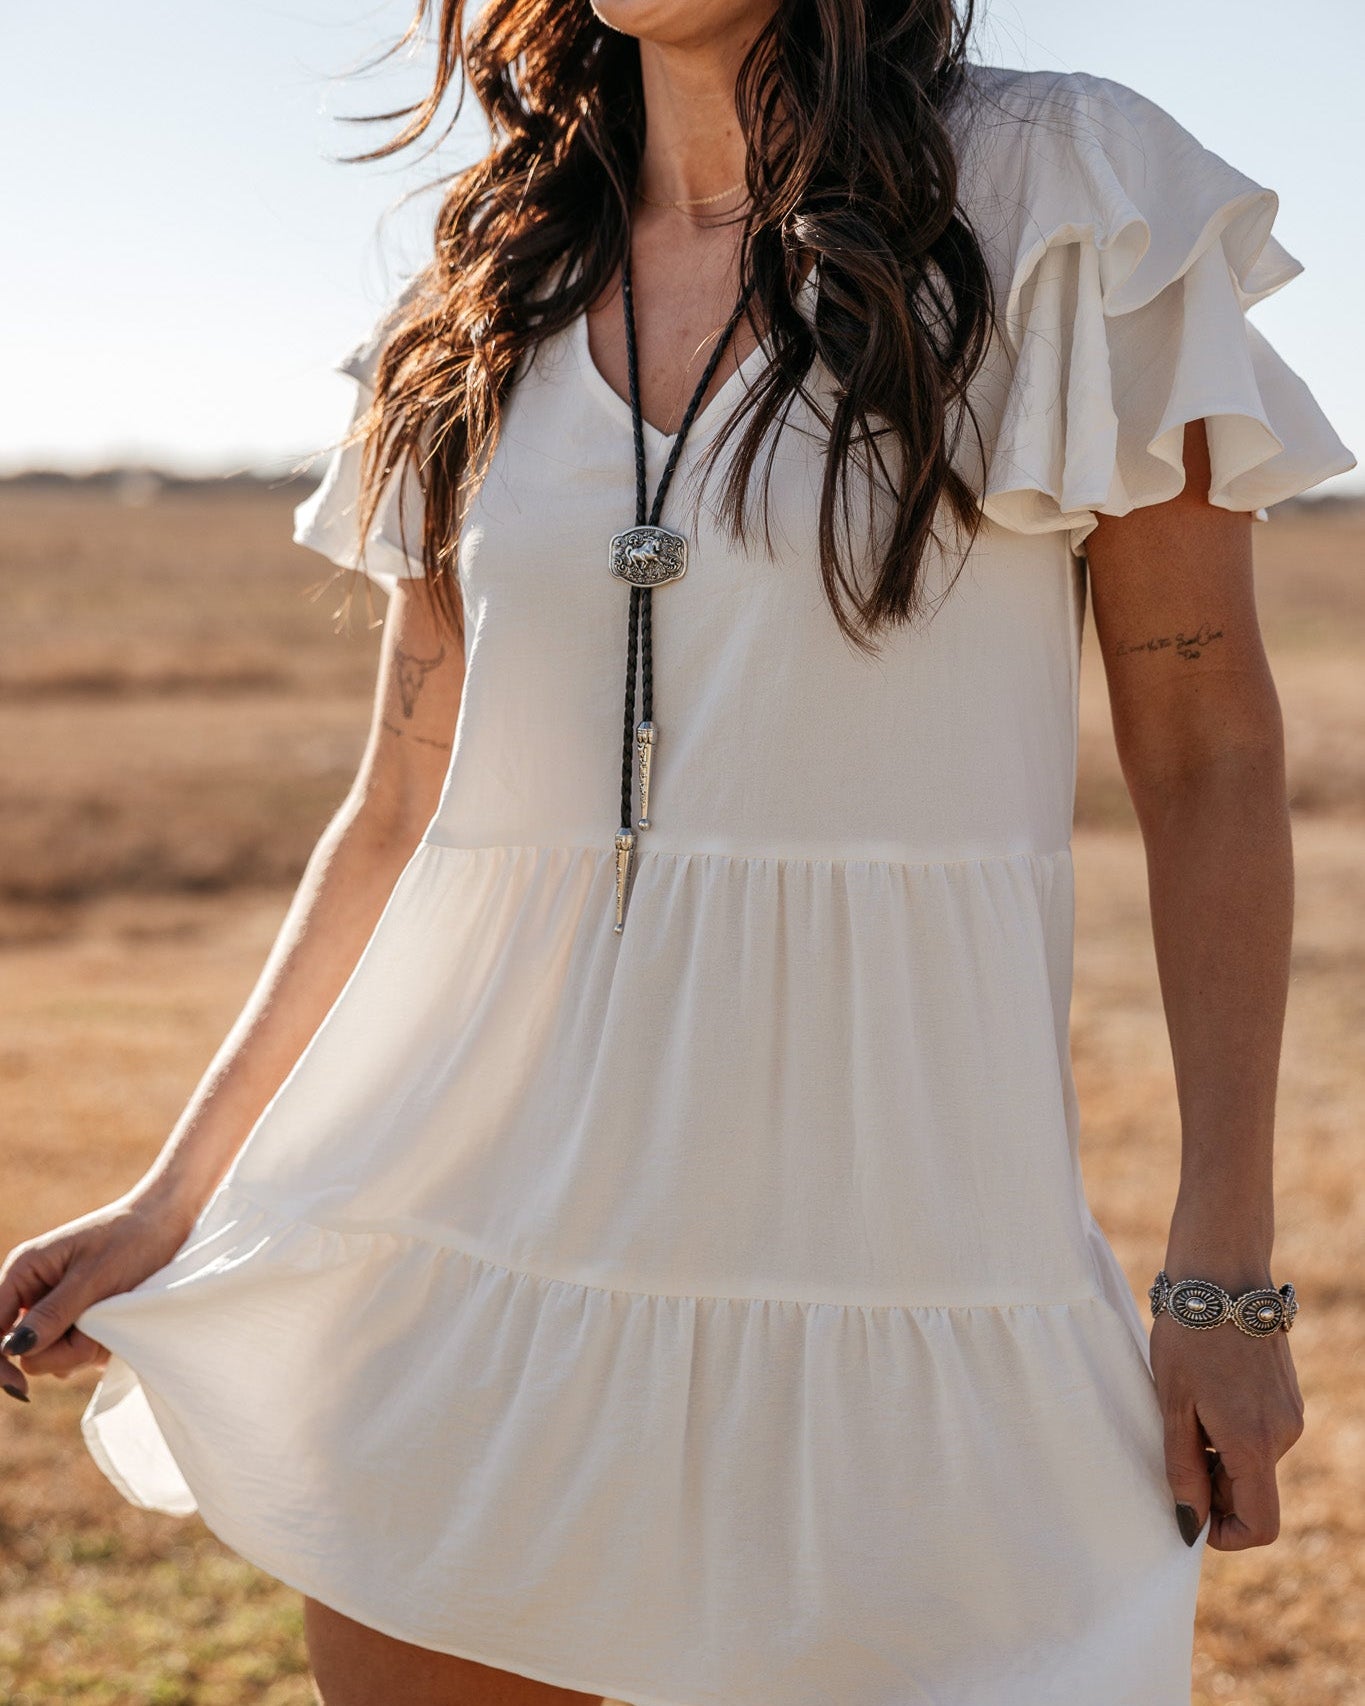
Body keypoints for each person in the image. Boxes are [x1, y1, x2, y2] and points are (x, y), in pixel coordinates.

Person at [1, 2, 1354, 1703]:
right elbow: (403, 800)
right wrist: (170, 1199)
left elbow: (1207, 749)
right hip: (470, 1273)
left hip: (904, 1272)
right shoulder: (481, 289)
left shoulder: (1062, 194)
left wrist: (1222, 1271)